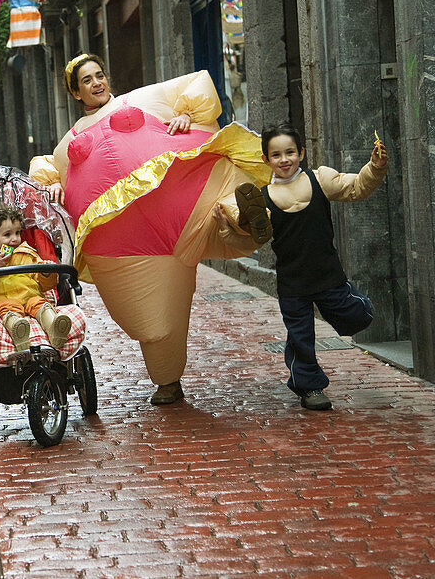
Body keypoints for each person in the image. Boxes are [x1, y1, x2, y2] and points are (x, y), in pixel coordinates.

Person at [29, 53, 272, 406]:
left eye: (100, 75)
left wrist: (188, 113)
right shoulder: (68, 141)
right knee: (155, 323)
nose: (97, 83)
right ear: (76, 93)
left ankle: (247, 217)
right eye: (87, 80)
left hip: (183, 199)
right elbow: (49, 169)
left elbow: (195, 83)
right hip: (130, 246)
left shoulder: (143, 99)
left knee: (221, 209)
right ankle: (168, 382)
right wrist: (51, 184)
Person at [216, 122, 388, 410]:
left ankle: (356, 308)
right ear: (265, 160)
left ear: (302, 153)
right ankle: (309, 388)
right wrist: (225, 229)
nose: (284, 160)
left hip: (328, 276)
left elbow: (358, 187)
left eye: (290, 152)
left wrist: (375, 166)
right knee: (300, 337)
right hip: (292, 283)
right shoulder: (264, 201)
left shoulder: (320, 179)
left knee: (359, 316)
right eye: (276, 155)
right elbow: (248, 243)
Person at [0, 202, 72, 352]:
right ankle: (18, 331)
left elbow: (45, 285)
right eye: (7, 235)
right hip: (2, 301)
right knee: (9, 309)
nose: (15, 239)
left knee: (41, 304)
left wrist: (46, 273)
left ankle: (54, 327)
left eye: (18, 233)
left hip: (30, 297)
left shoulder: (27, 254)